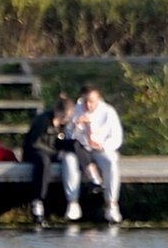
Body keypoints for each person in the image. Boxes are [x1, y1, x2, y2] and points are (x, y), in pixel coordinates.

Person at [62, 85, 124, 223]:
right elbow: (67, 137)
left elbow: (117, 138)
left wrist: (104, 146)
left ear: (99, 99)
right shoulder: (76, 110)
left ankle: (111, 204)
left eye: (91, 101)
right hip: (80, 150)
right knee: (68, 161)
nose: (88, 105)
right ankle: (72, 203)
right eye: (85, 101)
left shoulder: (108, 112)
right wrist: (76, 124)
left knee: (111, 163)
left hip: (100, 150)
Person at [22, 93, 75, 222]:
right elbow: (35, 143)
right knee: (44, 162)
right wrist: (55, 154)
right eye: (64, 117)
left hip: (50, 151)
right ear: (58, 112)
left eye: (68, 117)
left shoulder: (62, 125)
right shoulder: (43, 120)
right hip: (35, 151)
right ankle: (37, 201)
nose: (66, 120)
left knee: (73, 151)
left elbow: (58, 141)